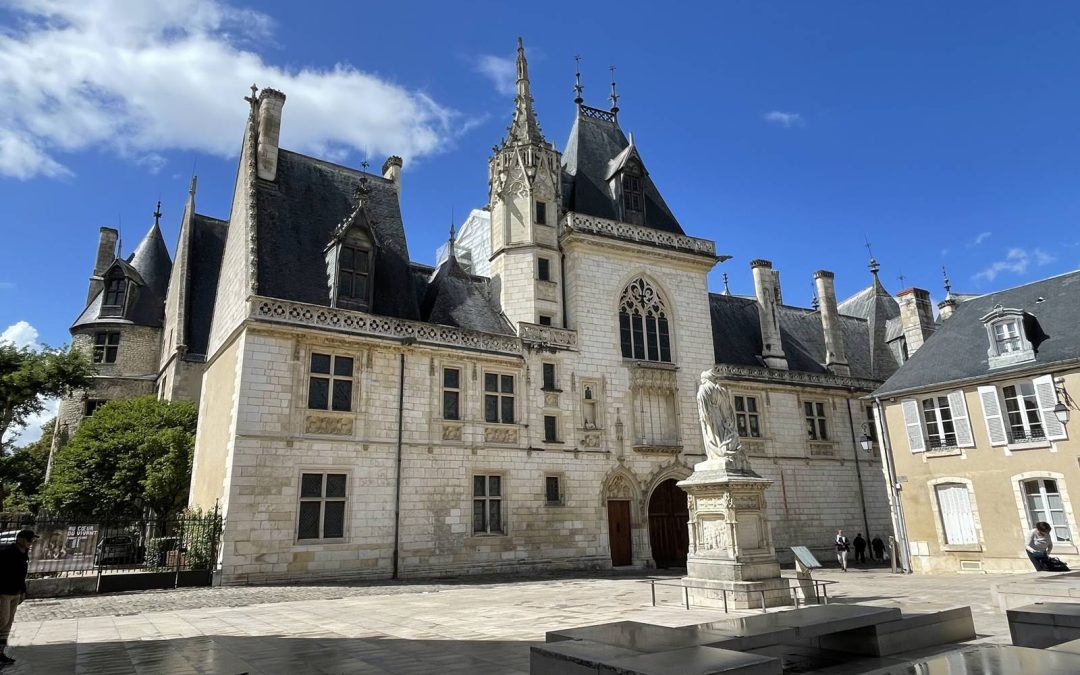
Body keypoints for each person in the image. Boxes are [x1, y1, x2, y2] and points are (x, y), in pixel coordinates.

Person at [0, 530, 37, 664]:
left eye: (32, 540)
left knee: (7, 625)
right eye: (29, 540)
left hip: (15, 592)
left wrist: (23, 591)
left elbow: (21, 575)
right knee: (2, 621)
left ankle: (1, 653)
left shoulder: (24, 554)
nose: (30, 543)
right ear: (20, 539)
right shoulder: (7, 552)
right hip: (3, 592)